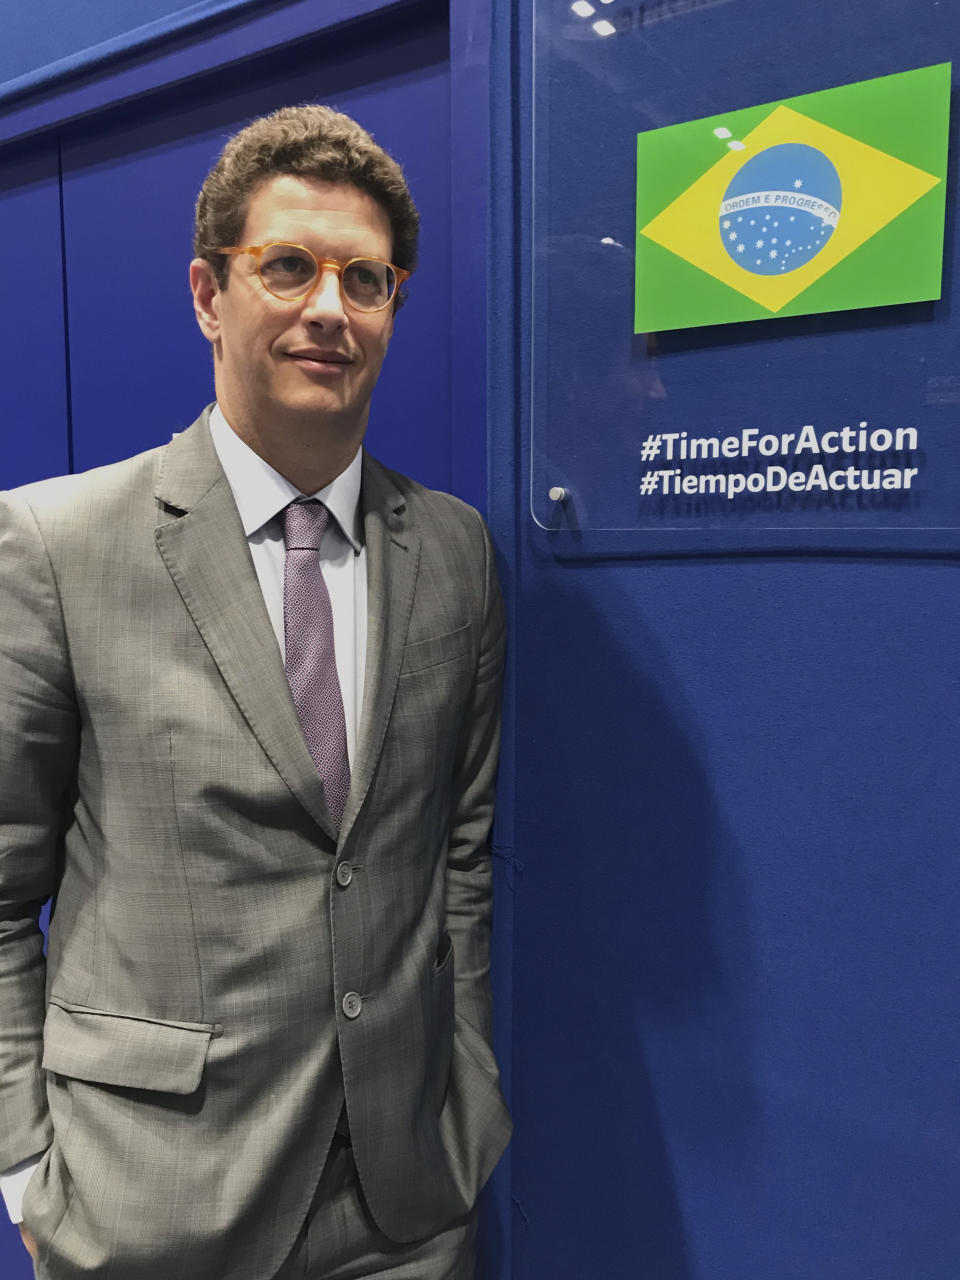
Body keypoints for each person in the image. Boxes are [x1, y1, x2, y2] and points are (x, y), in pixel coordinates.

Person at [0, 104, 510, 1280]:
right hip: (149, 1202)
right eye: (287, 265)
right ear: (207, 293)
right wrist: (25, 1162)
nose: (329, 307)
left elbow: (460, 855)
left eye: (366, 278)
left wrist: (463, 1078)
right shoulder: (57, 546)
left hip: (406, 1201)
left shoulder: (456, 553)